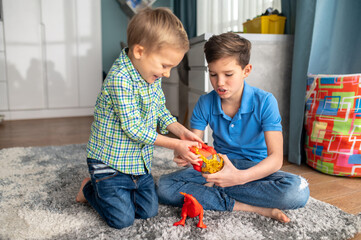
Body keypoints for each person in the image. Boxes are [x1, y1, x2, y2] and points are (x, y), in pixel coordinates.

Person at [157, 32, 310, 223]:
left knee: (296, 191)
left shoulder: (265, 101)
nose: (219, 82)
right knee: (163, 186)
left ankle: (217, 193)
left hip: (255, 169)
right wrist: (187, 156)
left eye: (228, 74)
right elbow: (194, 147)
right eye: (213, 74)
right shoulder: (205, 102)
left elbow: (276, 158)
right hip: (218, 167)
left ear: (246, 71)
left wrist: (239, 177)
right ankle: (250, 207)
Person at [76, 7, 203, 229]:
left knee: (148, 212)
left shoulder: (151, 74)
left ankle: (115, 193)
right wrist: (175, 144)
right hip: (110, 164)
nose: (167, 73)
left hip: (137, 164)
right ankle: (89, 189)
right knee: (121, 220)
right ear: (139, 52)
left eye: (171, 67)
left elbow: (160, 111)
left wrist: (181, 131)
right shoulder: (119, 79)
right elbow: (133, 128)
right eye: (165, 66)